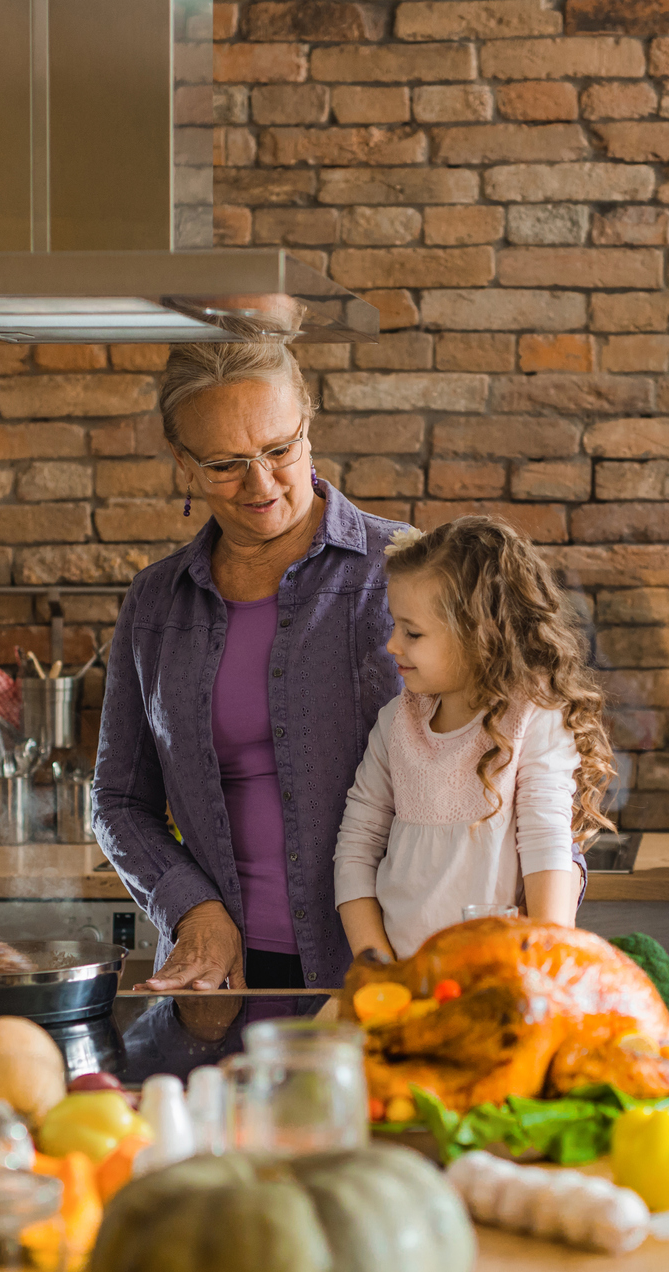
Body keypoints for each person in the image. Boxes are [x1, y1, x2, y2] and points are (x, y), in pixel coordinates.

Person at [94, 339, 405, 1055]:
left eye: (279, 448)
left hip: (387, 966)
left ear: (309, 425)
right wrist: (191, 907)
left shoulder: (404, 570)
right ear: (181, 463)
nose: (260, 483)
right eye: (225, 465)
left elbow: (506, 754)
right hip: (224, 981)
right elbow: (117, 799)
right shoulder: (155, 601)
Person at [334, 517, 615, 958]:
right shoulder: (395, 722)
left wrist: (543, 967)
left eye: (413, 632)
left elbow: (548, 845)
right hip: (408, 981)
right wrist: (378, 967)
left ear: (479, 635)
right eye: (395, 626)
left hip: (502, 975)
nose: (392, 645)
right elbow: (356, 846)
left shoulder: (532, 720)